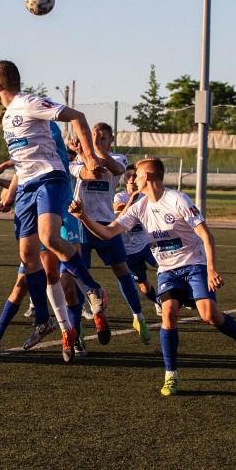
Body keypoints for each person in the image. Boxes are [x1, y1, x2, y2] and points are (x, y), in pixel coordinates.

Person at [71, 157, 236, 396]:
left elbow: (206, 235)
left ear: (147, 176)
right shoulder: (139, 206)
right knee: (168, 313)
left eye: (136, 174)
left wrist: (211, 269)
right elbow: (107, 233)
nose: (132, 178)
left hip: (195, 265)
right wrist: (83, 216)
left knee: (209, 315)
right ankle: (171, 375)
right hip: (168, 271)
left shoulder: (177, 199)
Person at [0, 59, 110, 363]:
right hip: (27, 187)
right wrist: (10, 192)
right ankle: (42, 319)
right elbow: (21, 161)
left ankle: (92, 289)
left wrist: (91, 156)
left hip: (50, 178)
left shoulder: (29, 103)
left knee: (49, 237)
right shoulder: (6, 120)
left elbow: (78, 117)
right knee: (28, 256)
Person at [70, 123, 152, 345]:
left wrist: (93, 148)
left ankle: (138, 317)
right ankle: (78, 330)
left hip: (108, 224)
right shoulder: (77, 160)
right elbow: (90, 171)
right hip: (82, 226)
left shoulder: (119, 158)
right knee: (79, 279)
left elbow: (116, 170)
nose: (98, 140)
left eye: (103, 138)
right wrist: (83, 153)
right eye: (94, 136)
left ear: (111, 141)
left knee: (122, 271)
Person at [113, 164, 161, 316]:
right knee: (145, 286)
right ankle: (158, 302)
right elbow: (118, 220)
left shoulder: (146, 196)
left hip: (147, 244)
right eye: (128, 176)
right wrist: (130, 202)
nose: (132, 179)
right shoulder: (119, 197)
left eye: (135, 175)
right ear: (125, 179)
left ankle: (178, 294)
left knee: (165, 266)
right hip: (129, 252)